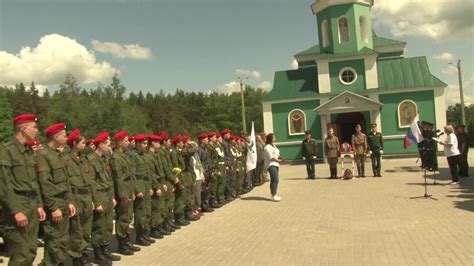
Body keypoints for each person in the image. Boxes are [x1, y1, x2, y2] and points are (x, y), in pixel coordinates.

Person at [0, 114, 46, 265]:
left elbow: (34, 181)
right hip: (18, 204)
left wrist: (39, 204)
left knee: (31, 250)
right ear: (23, 128)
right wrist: (16, 210)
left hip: (31, 204)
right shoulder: (7, 151)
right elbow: (4, 184)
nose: (36, 130)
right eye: (34, 127)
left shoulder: (28, 151)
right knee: (20, 252)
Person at [37, 123, 77, 265]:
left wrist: (70, 201)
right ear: (56, 137)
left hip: (63, 201)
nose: (67, 139)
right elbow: (45, 184)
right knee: (54, 241)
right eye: (64, 136)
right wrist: (53, 207)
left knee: (63, 239)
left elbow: (65, 181)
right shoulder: (44, 155)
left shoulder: (57, 155)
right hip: (54, 203)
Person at [87, 132, 120, 263]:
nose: (109, 147)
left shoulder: (104, 159)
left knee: (107, 225)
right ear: (100, 145)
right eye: (107, 144)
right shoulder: (91, 160)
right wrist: (96, 201)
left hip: (107, 194)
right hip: (99, 195)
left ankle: (105, 250)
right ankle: (98, 253)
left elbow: (109, 180)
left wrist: (112, 196)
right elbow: (91, 183)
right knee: (98, 226)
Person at [64, 129, 95, 265]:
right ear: (75, 143)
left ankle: (83, 252)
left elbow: (90, 180)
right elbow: (66, 184)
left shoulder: (84, 159)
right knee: (76, 229)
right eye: (82, 142)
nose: (85, 144)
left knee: (86, 228)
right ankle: (77, 257)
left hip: (86, 196)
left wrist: (93, 200)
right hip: (75, 196)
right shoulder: (66, 160)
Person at [109, 131, 140, 255]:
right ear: (119, 142)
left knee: (128, 217)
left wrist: (132, 191)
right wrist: (123, 196)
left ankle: (127, 241)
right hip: (123, 192)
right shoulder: (115, 158)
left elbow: (130, 176)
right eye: (126, 141)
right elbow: (119, 178)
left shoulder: (125, 155)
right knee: (122, 217)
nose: (128, 143)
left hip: (128, 189)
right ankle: (122, 244)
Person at [263, 133, 282, 202]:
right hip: (271, 164)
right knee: (275, 179)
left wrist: (280, 158)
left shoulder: (274, 145)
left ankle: (273, 194)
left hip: (276, 164)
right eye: (274, 137)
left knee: (274, 180)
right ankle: (273, 195)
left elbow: (277, 153)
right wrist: (278, 160)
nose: (275, 138)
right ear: (271, 138)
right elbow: (270, 157)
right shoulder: (267, 147)